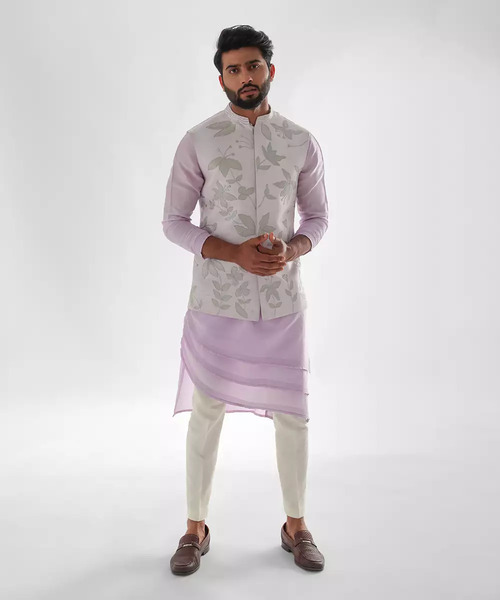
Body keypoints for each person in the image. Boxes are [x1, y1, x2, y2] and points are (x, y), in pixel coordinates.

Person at [162, 25, 329, 575]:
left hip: (282, 302)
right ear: (222, 79)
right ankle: (194, 528)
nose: (245, 77)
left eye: (253, 66)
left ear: (269, 71)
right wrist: (232, 253)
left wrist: (294, 249)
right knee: (207, 411)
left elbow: (318, 218)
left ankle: (296, 525)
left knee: (293, 416)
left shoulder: (300, 141)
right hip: (217, 300)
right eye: (233, 69)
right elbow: (174, 221)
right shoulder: (200, 140)